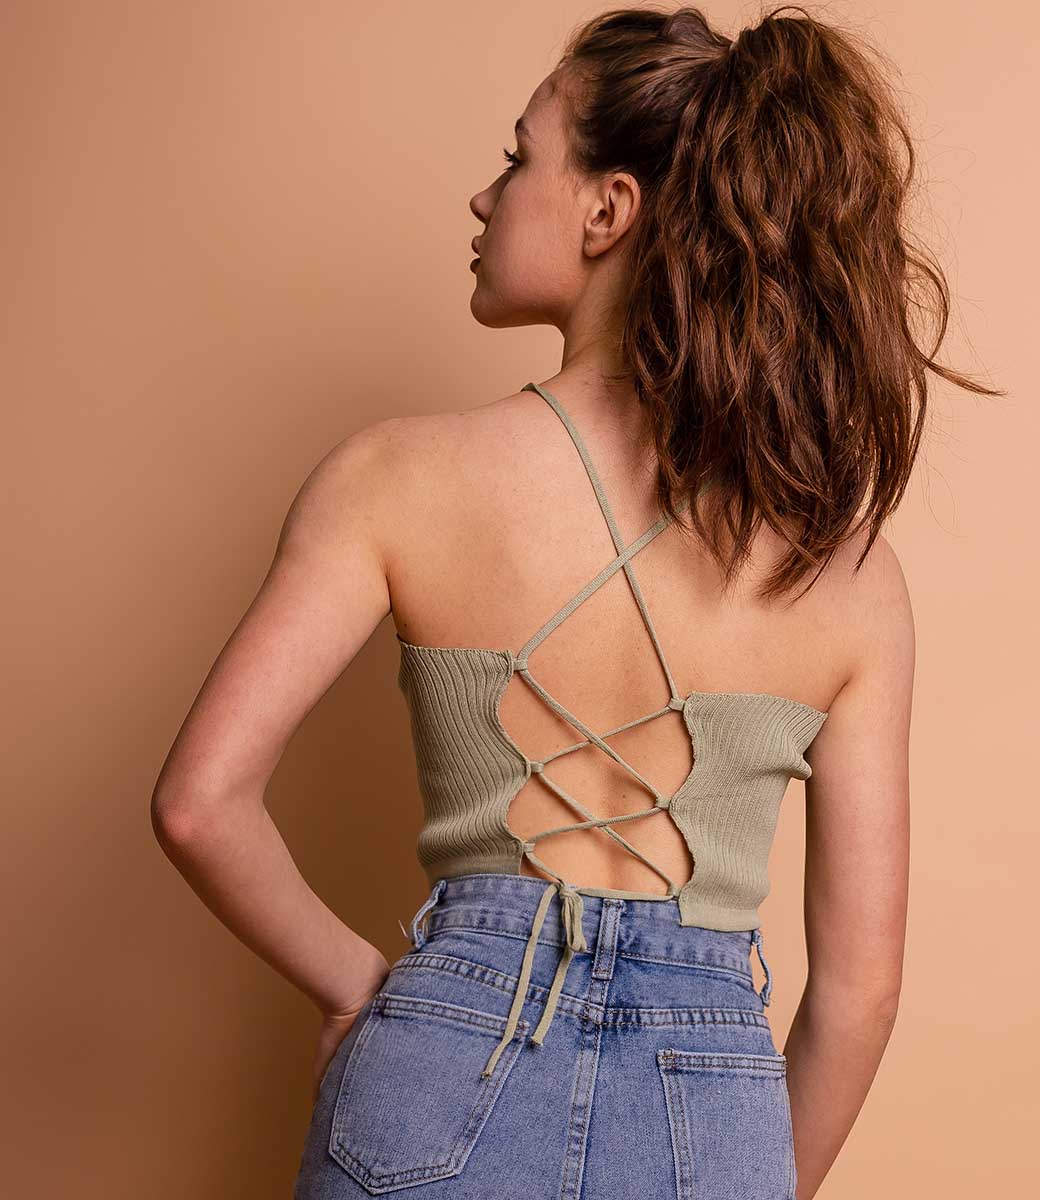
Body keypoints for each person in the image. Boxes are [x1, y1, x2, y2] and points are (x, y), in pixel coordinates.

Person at [151, 5, 1000, 1197]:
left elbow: (198, 805)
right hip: (707, 1100)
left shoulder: (394, 477)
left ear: (607, 210)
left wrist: (357, 990)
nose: (484, 196)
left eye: (517, 157)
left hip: (438, 1056)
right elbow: (857, 996)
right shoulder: (843, 574)